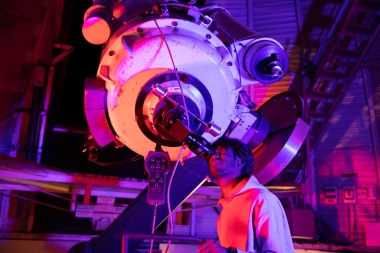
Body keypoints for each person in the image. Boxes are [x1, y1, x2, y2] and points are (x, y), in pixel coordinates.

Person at [198, 137, 294, 253]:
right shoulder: (223, 214)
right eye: (213, 153)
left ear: (240, 161)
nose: (213, 156)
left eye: (221, 152)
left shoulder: (262, 199)